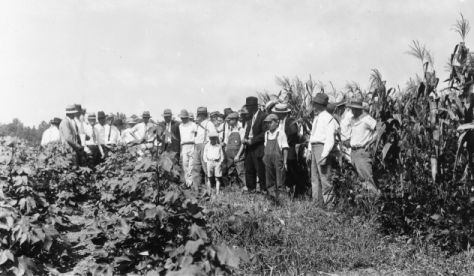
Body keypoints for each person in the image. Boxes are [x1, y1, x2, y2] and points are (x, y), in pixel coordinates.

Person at [307, 93, 339, 207]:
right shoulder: (317, 118)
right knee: (314, 177)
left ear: (320, 105)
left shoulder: (329, 118)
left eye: (315, 104)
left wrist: (324, 155)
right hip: (315, 147)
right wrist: (309, 150)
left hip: (322, 148)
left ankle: (330, 204)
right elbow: (313, 135)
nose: (313, 106)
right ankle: (317, 202)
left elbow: (330, 139)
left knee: (325, 177)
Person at [345, 100, 381, 196]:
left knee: (367, 178)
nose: (352, 111)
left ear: (358, 109)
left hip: (362, 151)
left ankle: (374, 200)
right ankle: (366, 203)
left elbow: (380, 129)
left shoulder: (366, 119)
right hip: (353, 152)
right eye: (351, 109)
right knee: (361, 180)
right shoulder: (352, 119)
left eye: (354, 109)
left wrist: (371, 142)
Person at [272, 103, 299, 195]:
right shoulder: (281, 122)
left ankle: (292, 192)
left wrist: (284, 144)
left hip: (289, 151)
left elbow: (292, 134)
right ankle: (287, 191)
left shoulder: (290, 121)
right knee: (284, 171)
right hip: (282, 150)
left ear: (282, 113)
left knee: (290, 170)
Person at [263, 114, 289, 204]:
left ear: (276, 122)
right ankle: (272, 199)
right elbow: (265, 147)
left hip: (278, 160)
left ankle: (282, 201)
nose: (268, 124)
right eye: (267, 123)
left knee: (280, 180)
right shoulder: (266, 134)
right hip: (268, 160)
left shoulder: (281, 133)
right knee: (269, 180)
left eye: (270, 122)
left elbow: (285, 148)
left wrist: (285, 162)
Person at [243, 96, 267, 193]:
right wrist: (245, 139)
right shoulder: (249, 118)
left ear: (254, 107)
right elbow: (248, 131)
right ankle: (251, 188)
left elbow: (264, 133)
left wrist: (252, 141)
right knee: (249, 168)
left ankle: (263, 189)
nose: (247, 109)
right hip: (249, 147)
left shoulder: (263, 116)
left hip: (258, 147)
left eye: (248, 107)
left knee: (260, 169)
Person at [191, 107, 217, 191]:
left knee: (206, 168)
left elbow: (214, 135)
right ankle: (196, 187)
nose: (199, 116)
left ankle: (209, 187)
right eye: (198, 114)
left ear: (204, 115)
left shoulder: (209, 123)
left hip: (205, 146)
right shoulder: (196, 124)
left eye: (200, 114)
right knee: (196, 167)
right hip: (197, 146)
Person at [224, 112, 246, 189]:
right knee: (230, 171)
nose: (228, 122)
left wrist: (238, 155)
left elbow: (243, 144)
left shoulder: (241, 129)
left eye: (229, 120)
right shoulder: (229, 130)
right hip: (229, 154)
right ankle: (234, 186)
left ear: (235, 120)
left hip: (237, 154)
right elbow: (226, 142)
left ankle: (244, 187)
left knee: (240, 171)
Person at [178, 109, 196, 187]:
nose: (183, 119)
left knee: (191, 165)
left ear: (188, 117)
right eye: (182, 118)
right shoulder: (180, 126)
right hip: (184, 146)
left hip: (192, 145)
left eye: (185, 118)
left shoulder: (193, 125)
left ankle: (190, 183)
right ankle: (187, 182)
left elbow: (196, 135)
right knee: (185, 164)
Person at [203, 131, 224, 196]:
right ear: (209, 139)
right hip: (210, 162)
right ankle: (209, 192)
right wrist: (207, 161)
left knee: (217, 178)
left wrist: (220, 162)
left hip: (217, 162)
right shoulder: (207, 146)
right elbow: (204, 155)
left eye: (214, 138)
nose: (212, 140)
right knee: (209, 177)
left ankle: (217, 192)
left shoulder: (218, 146)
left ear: (216, 139)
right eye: (211, 138)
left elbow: (222, 155)